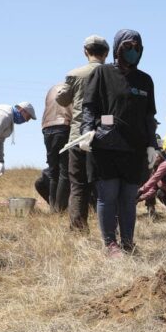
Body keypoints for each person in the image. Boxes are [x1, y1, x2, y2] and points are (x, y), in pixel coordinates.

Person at [81, 29, 157, 256]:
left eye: (137, 48)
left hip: (134, 148)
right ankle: (110, 244)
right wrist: (87, 131)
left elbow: (148, 116)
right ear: (117, 48)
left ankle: (127, 241)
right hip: (106, 145)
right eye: (127, 47)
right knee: (108, 195)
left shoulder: (145, 81)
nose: (132, 52)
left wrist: (152, 143)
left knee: (128, 198)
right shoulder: (102, 74)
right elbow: (89, 106)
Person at [56, 34, 109, 230]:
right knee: (105, 185)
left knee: (78, 185)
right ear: (106, 53)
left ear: (85, 52)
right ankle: (109, 229)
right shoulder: (112, 73)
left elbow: (62, 101)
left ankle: (78, 228)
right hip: (105, 136)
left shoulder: (74, 74)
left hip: (78, 136)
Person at [42, 83, 72, 212]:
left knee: (53, 172)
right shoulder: (72, 89)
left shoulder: (51, 89)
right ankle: (60, 209)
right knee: (64, 171)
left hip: (47, 128)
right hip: (64, 126)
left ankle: (53, 208)